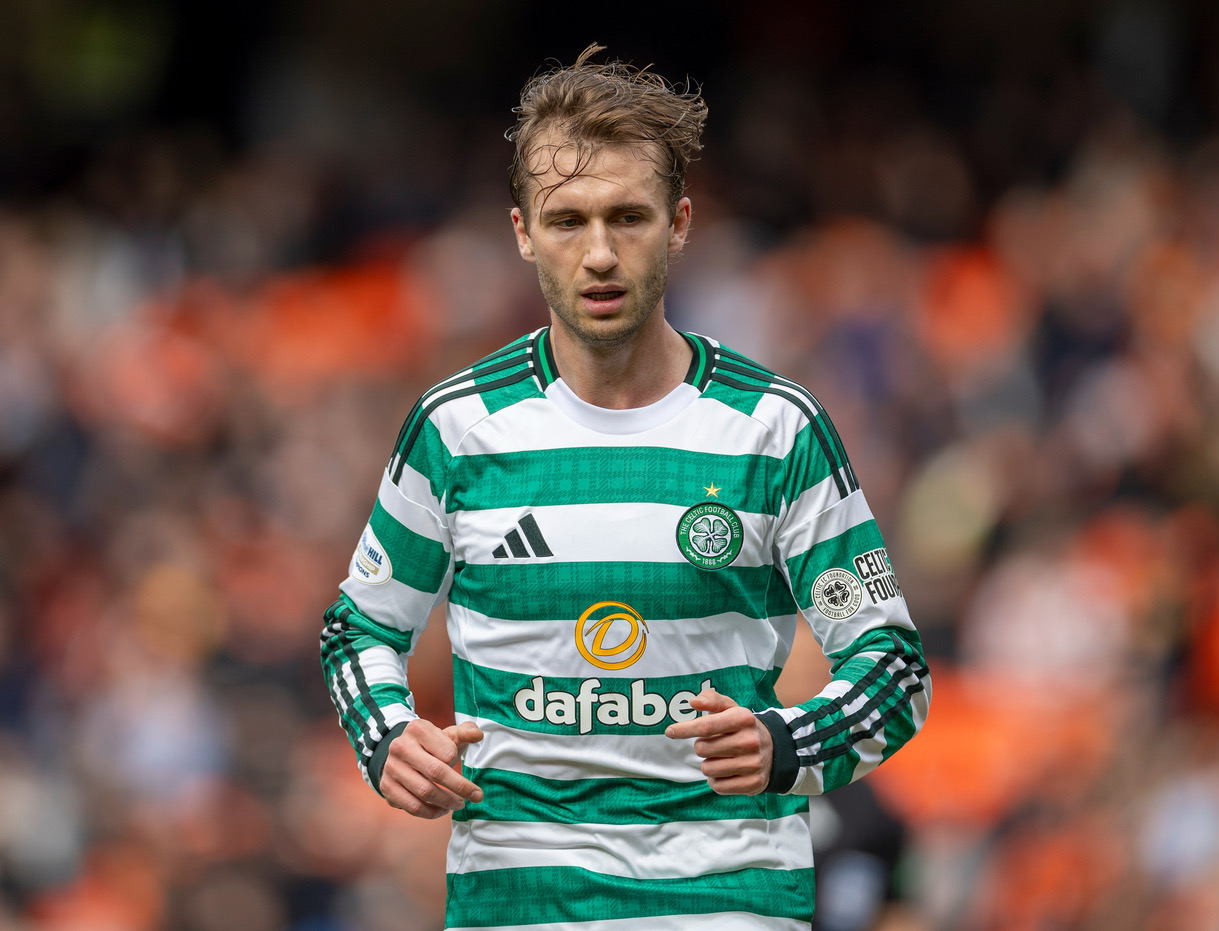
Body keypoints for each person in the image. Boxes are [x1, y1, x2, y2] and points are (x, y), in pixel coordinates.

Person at [320, 44, 930, 930]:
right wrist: (388, 736)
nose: (599, 253)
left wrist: (784, 740)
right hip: (519, 899)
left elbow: (893, 665)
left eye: (629, 217)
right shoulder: (456, 429)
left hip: (728, 897)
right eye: (567, 221)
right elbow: (358, 628)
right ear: (524, 231)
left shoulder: (776, 430)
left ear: (679, 224)